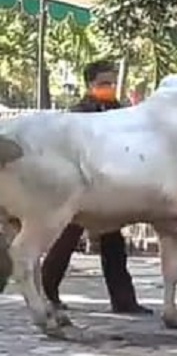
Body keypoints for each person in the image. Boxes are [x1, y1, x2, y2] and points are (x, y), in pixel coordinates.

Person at [41, 59, 151, 315]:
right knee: (65, 240)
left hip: (108, 188)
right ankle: (47, 293)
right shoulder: (78, 114)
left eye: (112, 83)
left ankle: (124, 301)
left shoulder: (120, 112)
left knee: (114, 245)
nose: (109, 87)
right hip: (79, 186)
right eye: (103, 83)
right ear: (90, 84)